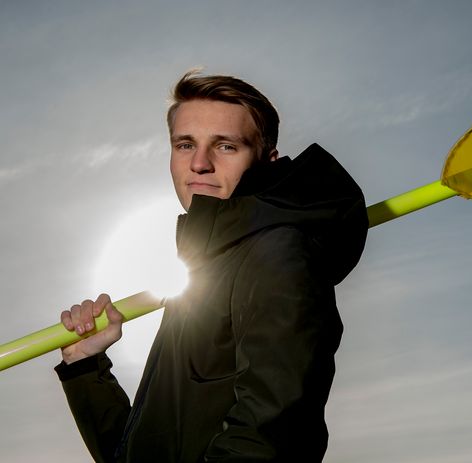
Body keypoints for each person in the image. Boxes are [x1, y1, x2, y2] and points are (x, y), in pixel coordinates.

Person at [54, 71, 368, 462]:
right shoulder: (202, 273)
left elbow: (272, 441)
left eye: (225, 146)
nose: (199, 163)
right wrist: (85, 365)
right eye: (185, 144)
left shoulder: (277, 255)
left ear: (266, 160)